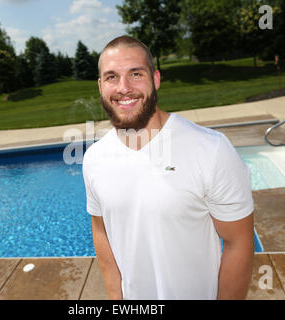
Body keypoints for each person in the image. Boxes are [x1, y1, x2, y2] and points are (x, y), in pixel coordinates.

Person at [82, 35, 254, 300]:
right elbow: (101, 229)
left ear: (156, 79)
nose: (123, 87)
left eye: (136, 74)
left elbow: (239, 243)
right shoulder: (94, 158)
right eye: (112, 77)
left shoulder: (211, 149)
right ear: (100, 85)